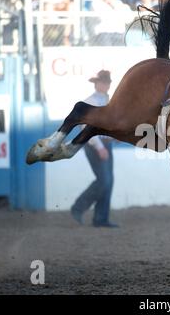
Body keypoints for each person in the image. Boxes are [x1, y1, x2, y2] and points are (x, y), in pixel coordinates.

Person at [70, 70, 118, 228]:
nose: (105, 85)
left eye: (107, 82)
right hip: (95, 144)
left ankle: (100, 218)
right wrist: (99, 147)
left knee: (108, 181)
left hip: (105, 143)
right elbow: (86, 127)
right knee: (104, 180)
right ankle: (78, 207)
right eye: (103, 82)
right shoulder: (91, 101)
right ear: (97, 84)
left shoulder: (106, 101)